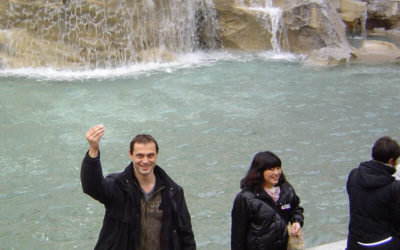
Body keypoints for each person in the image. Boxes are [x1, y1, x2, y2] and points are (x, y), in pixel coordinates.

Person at [81, 124, 196, 250]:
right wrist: (93, 150)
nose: (145, 161)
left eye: (150, 155)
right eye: (140, 155)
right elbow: (92, 187)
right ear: (131, 155)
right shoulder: (117, 187)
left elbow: (186, 236)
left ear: (157, 155)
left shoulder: (173, 192)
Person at [231, 151, 304, 250]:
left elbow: (295, 209)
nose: (276, 173)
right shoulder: (245, 198)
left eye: (278, 168)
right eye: (271, 169)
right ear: (259, 171)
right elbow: (238, 235)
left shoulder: (286, 190)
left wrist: (296, 222)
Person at [346, 136, 400, 250]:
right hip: (383, 244)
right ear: (391, 161)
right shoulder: (394, 188)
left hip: (355, 243)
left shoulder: (354, 175)